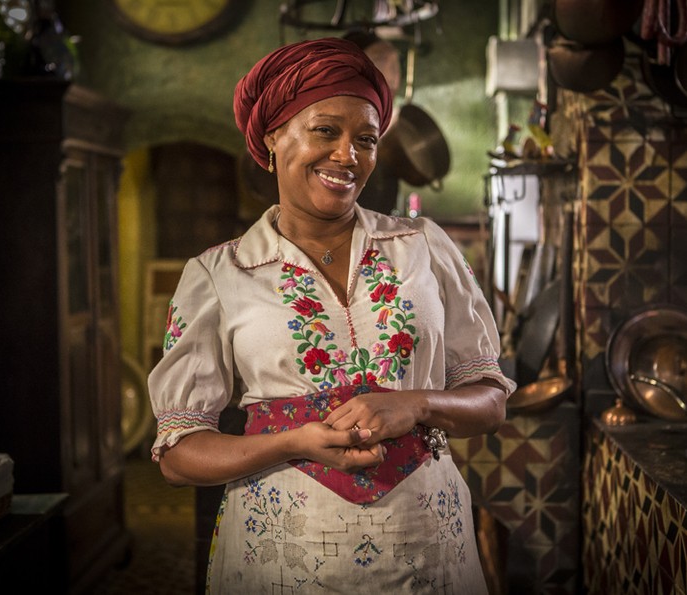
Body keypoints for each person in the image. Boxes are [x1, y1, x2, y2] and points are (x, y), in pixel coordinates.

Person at [148, 37, 516, 594]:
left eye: (366, 139)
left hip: (429, 546)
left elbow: (489, 401)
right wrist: (290, 441)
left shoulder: (423, 247)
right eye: (326, 131)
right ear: (273, 136)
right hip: (280, 557)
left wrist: (414, 404)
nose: (349, 155)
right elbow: (178, 455)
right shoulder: (219, 274)